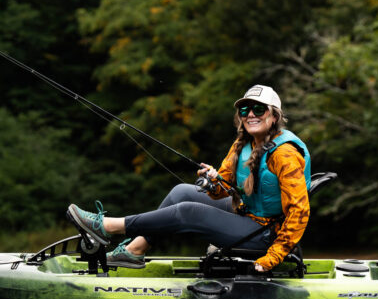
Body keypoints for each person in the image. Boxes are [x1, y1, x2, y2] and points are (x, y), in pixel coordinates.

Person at [67, 85, 311, 272]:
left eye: (259, 109)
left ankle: (108, 227)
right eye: (245, 110)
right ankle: (134, 250)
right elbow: (220, 191)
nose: (250, 115)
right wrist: (214, 181)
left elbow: (300, 212)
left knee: (189, 211)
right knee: (181, 192)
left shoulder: (285, 154)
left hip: (265, 235)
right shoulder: (243, 144)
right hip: (246, 214)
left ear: (274, 116)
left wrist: (274, 256)